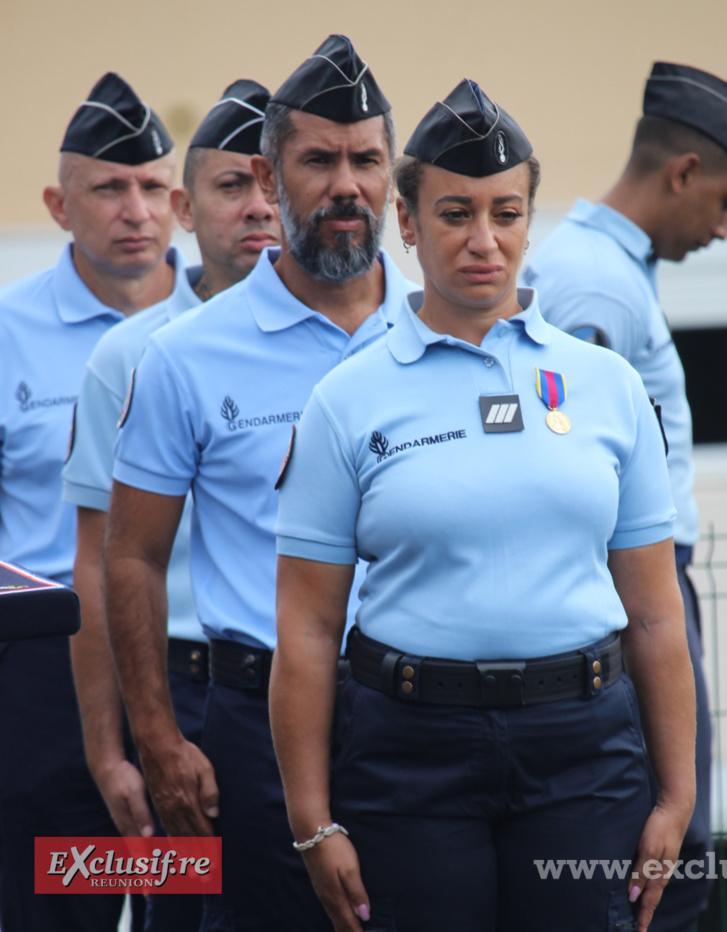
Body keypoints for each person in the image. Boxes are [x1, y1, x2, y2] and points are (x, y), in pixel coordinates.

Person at [270, 78, 696, 932]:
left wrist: (677, 797)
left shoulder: (607, 386)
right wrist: (312, 822)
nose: (484, 240)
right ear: (406, 221)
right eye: (456, 213)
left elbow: (655, 615)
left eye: (506, 213)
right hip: (409, 757)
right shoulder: (346, 399)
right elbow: (309, 630)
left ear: (530, 222)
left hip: (583, 756)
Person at [104, 36, 414, 931]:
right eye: (319, 161)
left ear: (393, 181)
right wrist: (158, 741)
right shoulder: (184, 357)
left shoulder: (445, 335)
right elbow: (131, 558)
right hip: (254, 728)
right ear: (272, 180)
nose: (345, 185)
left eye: (366, 161)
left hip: (426, 726)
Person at [522, 61, 727, 932]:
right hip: (631, 588)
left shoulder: (607, 269)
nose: (723, 228)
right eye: (725, 202)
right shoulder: (597, 284)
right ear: (682, 172)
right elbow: (572, 474)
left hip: (641, 583)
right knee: (664, 866)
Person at [61, 78, 278, 932]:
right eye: (231, 185)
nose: (259, 207)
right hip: (181, 698)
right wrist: (111, 751)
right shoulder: (129, 357)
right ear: (186, 209)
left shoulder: (356, 344)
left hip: (330, 690)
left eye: (271, 183)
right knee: (187, 913)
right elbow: (96, 564)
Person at [0, 72, 180, 932]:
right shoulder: (8, 332)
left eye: (152, 188)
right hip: (45, 666)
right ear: (58, 205)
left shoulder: (216, 326)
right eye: (109, 188)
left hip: (183, 660)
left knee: (184, 892)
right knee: (59, 898)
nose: (135, 211)